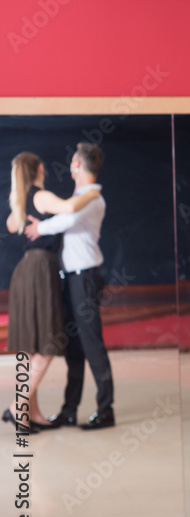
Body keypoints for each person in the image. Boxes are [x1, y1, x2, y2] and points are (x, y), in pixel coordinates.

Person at [3, 152, 99, 433]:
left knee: (33, 346)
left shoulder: (19, 201)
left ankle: (32, 413)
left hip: (25, 271)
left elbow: (11, 225)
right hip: (41, 272)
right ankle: (17, 407)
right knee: (46, 345)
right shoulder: (40, 196)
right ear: (40, 168)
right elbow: (70, 207)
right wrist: (92, 192)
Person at [25, 143, 116, 430]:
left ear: (78, 165)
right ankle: (69, 409)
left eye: (73, 160)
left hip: (85, 278)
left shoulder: (92, 198)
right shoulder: (80, 196)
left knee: (92, 344)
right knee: (74, 347)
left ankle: (105, 410)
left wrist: (39, 227)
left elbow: (67, 220)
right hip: (72, 278)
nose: (70, 164)